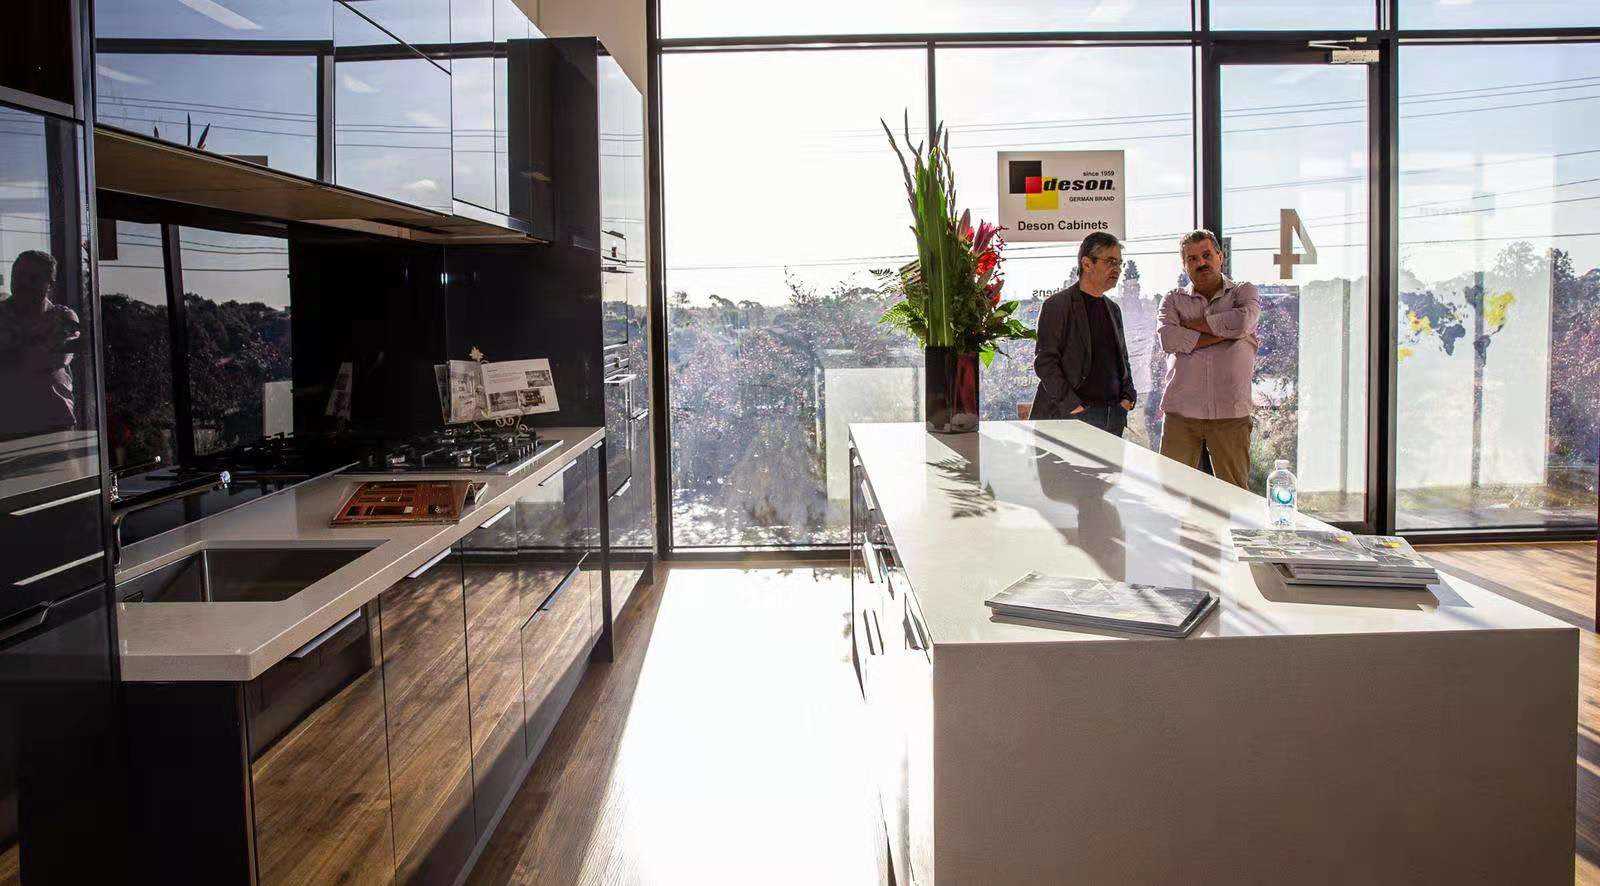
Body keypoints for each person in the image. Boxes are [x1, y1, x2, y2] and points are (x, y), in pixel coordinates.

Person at [1157, 229, 1261, 490]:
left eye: (1206, 255)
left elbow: (1243, 322)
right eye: (1192, 259)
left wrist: (1192, 328)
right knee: (1171, 492)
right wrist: (1225, 332)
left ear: (1220, 256)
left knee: (1234, 494)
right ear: (1184, 265)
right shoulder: (1173, 299)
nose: (1201, 263)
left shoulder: (1243, 292)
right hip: (1181, 413)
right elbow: (1168, 339)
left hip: (1230, 413)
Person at [1030, 232, 1136, 436]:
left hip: (1113, 416)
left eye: (1119, 263)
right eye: (1110, 261)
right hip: (1070, 418)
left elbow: (1122, 359)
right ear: (1087, 264)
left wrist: (1128, 397)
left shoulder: (1113, 309)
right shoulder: (1057, 305)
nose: (1117, 269)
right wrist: (1074, 407)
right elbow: (1045, 362)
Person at [0, 250, 79, 437]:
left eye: (33, 278)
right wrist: (38, 342)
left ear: (50, 284)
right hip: (7, 425)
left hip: (54, 424)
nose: (24, 283)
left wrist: (11, 353)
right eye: (19, 275)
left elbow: (52, 358)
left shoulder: (65, 317)